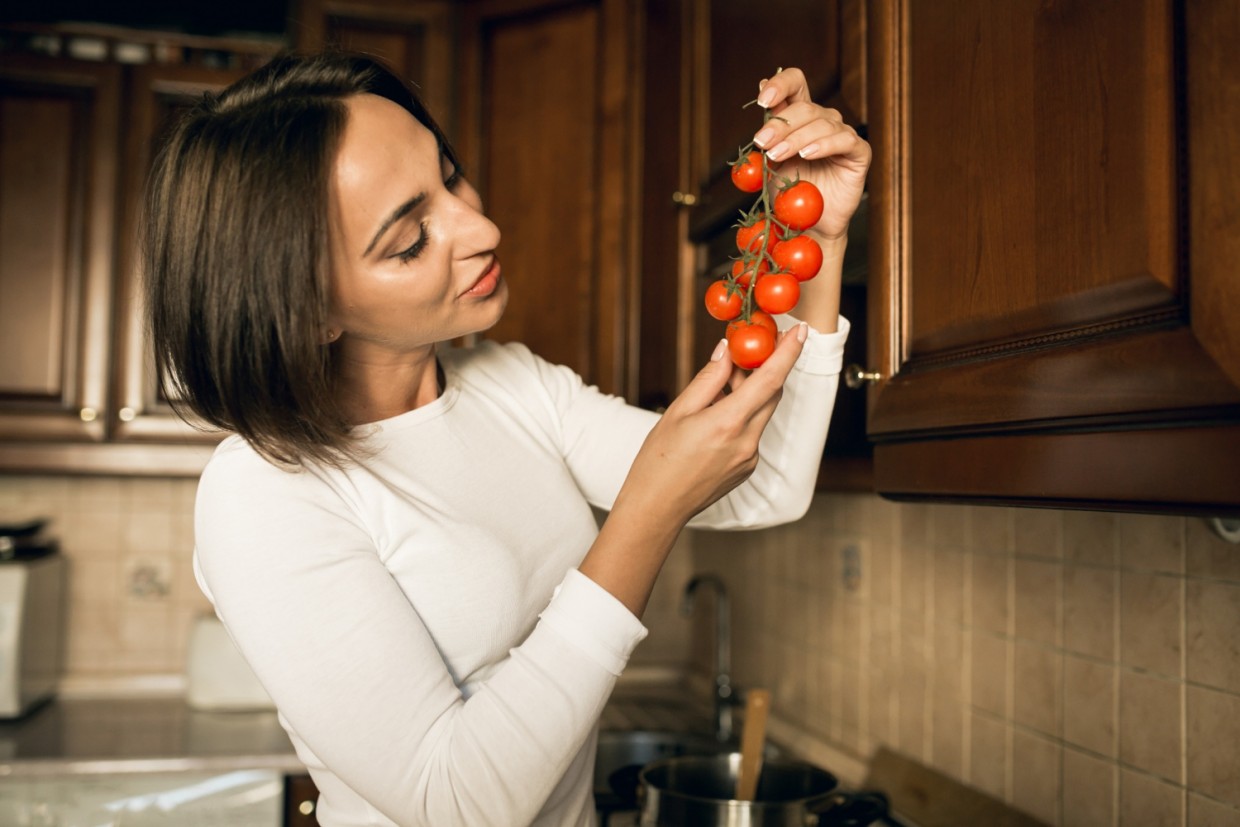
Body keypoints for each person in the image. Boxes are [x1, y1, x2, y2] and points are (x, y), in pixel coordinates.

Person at [144, 52, 870, 827]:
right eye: (411, 239)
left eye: (450, 177)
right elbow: (455, 803)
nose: (482, 228)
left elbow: (766, 485)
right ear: (307, 308)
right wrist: (646, 514)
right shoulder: (264, 491)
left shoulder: (511, 385)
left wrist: (817, 240)